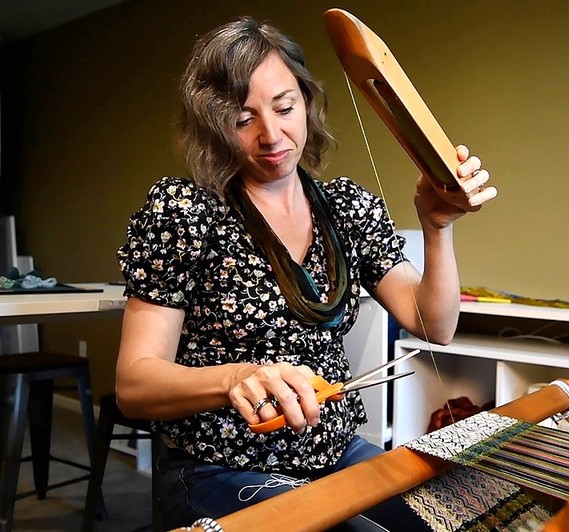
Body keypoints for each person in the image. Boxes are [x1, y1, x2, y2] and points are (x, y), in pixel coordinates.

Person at [115, 15, 496, 530]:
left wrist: (437, 227)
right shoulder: (185, 211)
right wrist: (236, 377)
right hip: (220, 466)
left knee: (458, 517)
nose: (271, 134)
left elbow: (437, 327)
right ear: (214, 124)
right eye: (242, 117)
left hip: (333, 452)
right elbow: (134, 384)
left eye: (284, 107)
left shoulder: (346, 208)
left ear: (308, 102)